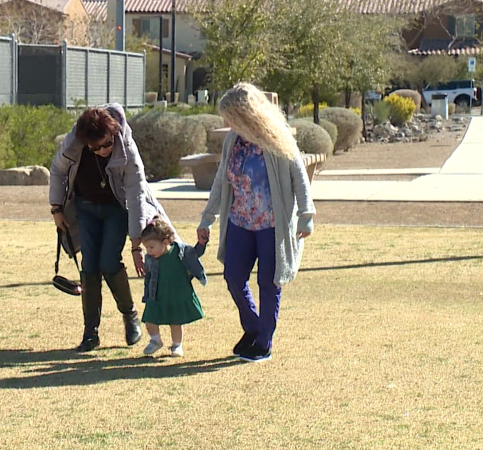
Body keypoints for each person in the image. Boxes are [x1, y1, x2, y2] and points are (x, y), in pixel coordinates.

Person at [196, 82, 315, 363]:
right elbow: (221, 180)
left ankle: (264, 342)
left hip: (272, 224)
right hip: (239, 220)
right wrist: (207, 218)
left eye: (231, 116)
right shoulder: (233, 140)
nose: (228, 123)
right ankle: (253, 328)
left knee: (268, 282)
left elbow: (299, 177)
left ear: (247, 114)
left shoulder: (277, 137)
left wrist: (306, 216)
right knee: (233, 276)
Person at [50, 103, 172, 352]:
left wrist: (136, 243)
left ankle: (130, 315)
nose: (102, 150)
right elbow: (58, 171)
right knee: (89, 266)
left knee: (108, 262)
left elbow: (136, 194)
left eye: (106, 144)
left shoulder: (126, 147)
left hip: (117, 208)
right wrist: (56, 208)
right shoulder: (74, 143)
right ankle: (90, 333)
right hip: (85, 207)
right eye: (94, 148)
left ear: (113, 133)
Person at [140, 217, 207, 357]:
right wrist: (147, 295)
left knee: (175, 321)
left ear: (165, 242)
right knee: (149, 319)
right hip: (157, 295)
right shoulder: (151, 258)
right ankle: (155, 340)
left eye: (151, 247)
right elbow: (149, 278)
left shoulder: (179, 251)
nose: (149, 251)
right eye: (146, 248)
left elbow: (194, 254)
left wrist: (201, 244)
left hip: (176, 294)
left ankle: (177, 345)